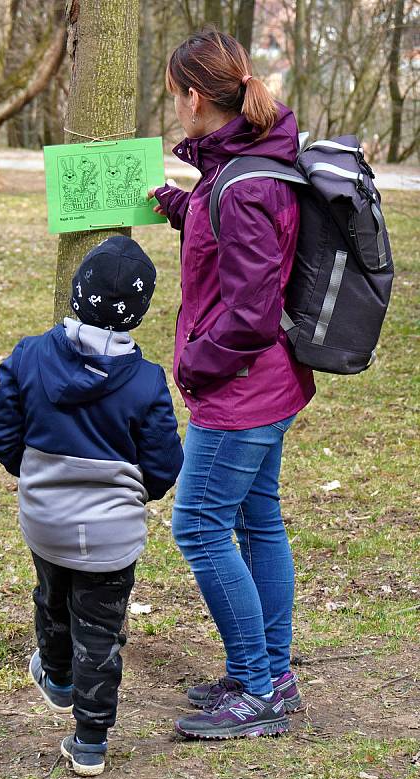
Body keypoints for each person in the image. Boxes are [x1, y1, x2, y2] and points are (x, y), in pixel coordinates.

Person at [148, 28, 316, 740]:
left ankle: (258, 688)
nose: (174, 108)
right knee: (257, 519)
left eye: (173, 95)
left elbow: (249, 311)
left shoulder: (243, 179)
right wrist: (179, 205)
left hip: (241, 387)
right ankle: (270, 673)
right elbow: (238, 236)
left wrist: (196, 363)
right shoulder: (247, 162)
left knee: (199, 524)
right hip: (272, 383)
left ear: (193, 96)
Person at [0, 236, 183, 775]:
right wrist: (137, 491)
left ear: (76, 293)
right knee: (100, 631)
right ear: (138, 313)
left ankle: (57, 676)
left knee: (51, 599)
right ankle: (90, 741)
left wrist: (33, 474)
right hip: (113, 537)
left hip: (45, 521)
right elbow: (164, 462)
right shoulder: (145, 382)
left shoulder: (29, 355)